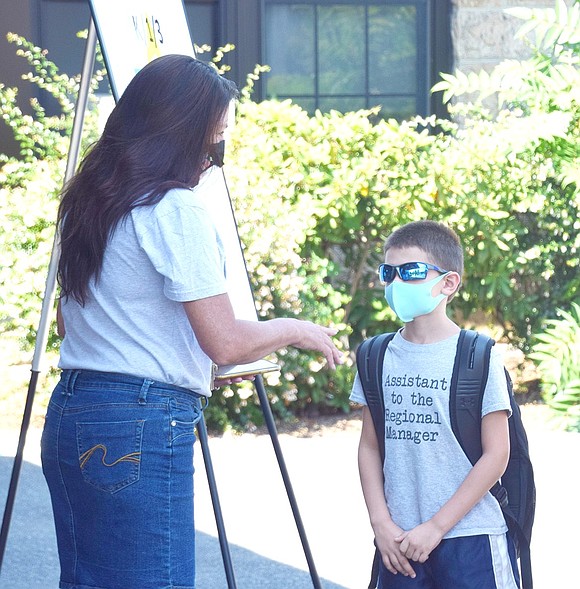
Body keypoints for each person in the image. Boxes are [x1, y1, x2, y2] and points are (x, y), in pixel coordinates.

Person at [41, 54, 342, 589]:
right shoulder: (172, 208)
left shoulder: (87, 203)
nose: (216, 156)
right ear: (178, 135)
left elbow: (73, 324)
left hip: (73, 410)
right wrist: (295, 328)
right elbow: (224, 342)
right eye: (213, 139)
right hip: (139, 423)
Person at [350, 220, 520, 588]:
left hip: (472, 538)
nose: (396, 284)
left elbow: (497, 454)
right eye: (388, 273)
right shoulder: (375, 356)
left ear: (448, 282)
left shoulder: (478, 356)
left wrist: (437, 527)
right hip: (400, 542)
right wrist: (380, 523)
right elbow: (368, 445)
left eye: (411, 272)